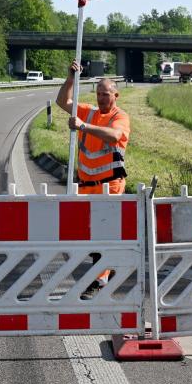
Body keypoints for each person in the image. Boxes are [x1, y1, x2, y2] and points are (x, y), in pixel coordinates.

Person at [55, 60, 131, 297]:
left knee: (101, 235)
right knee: (82, 234)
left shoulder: (120, 117)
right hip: (86, 187)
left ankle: (99, 280)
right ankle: (109, 266)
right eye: (98, 94)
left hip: (110, 186)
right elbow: (62, 102)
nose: (101, 98)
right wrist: (70, 79)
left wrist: (84, 126)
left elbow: (115, 136)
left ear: (115, 95)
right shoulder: (89, 111)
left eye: (105, 94)